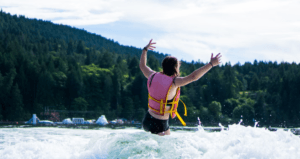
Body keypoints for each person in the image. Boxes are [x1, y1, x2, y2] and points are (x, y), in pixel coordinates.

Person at [140, 39, 221, 136]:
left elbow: (142, 65)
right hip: (160, 124)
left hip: (147, 120)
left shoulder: (151, 75)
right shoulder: (174, 82)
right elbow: (193, 77)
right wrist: (211, 64)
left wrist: (145, 49)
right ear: (175, 68)